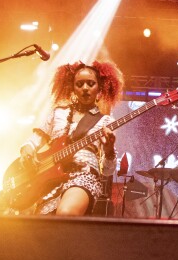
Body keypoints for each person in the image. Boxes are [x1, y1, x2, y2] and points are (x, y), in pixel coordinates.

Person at [19, 60, 124, 216]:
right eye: (79, 84)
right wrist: (26, 151)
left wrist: (109, 151)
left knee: (66, 214)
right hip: (50, 179)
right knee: (40, 229)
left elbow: (108, 171)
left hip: (83, 177)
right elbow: (33, 141)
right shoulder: (58, 113)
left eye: (90, 84)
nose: (85, 88)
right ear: (73, 88)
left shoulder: (105, 121)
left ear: (99, 88)